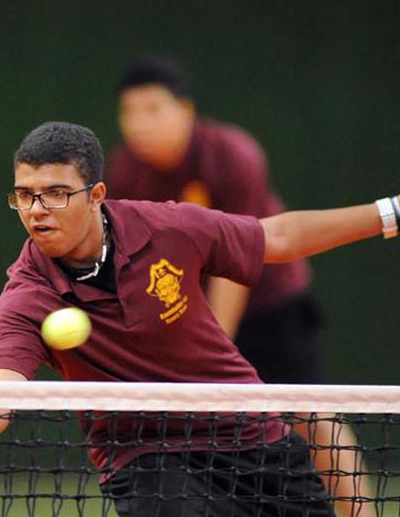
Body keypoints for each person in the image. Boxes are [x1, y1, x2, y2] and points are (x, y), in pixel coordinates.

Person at [0, 121, 400, 517]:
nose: (36, 210)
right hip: (147, 461)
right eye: (24, 195)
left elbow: (274, 236)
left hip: (250, 436)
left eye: (55, 193)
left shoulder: (168, 228)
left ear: (97, 194)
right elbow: (0, 394)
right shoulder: (27, 296)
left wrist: (393, 214)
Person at [106, 55, 370, 516]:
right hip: (187, 312)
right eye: (128, 112)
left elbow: (237, 263)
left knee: (312, 414)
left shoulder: (232, 156)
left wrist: (207, 350)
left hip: (270, 303)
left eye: (152, 109)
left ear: (185, 111)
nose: (138, 124)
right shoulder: (125, 173)